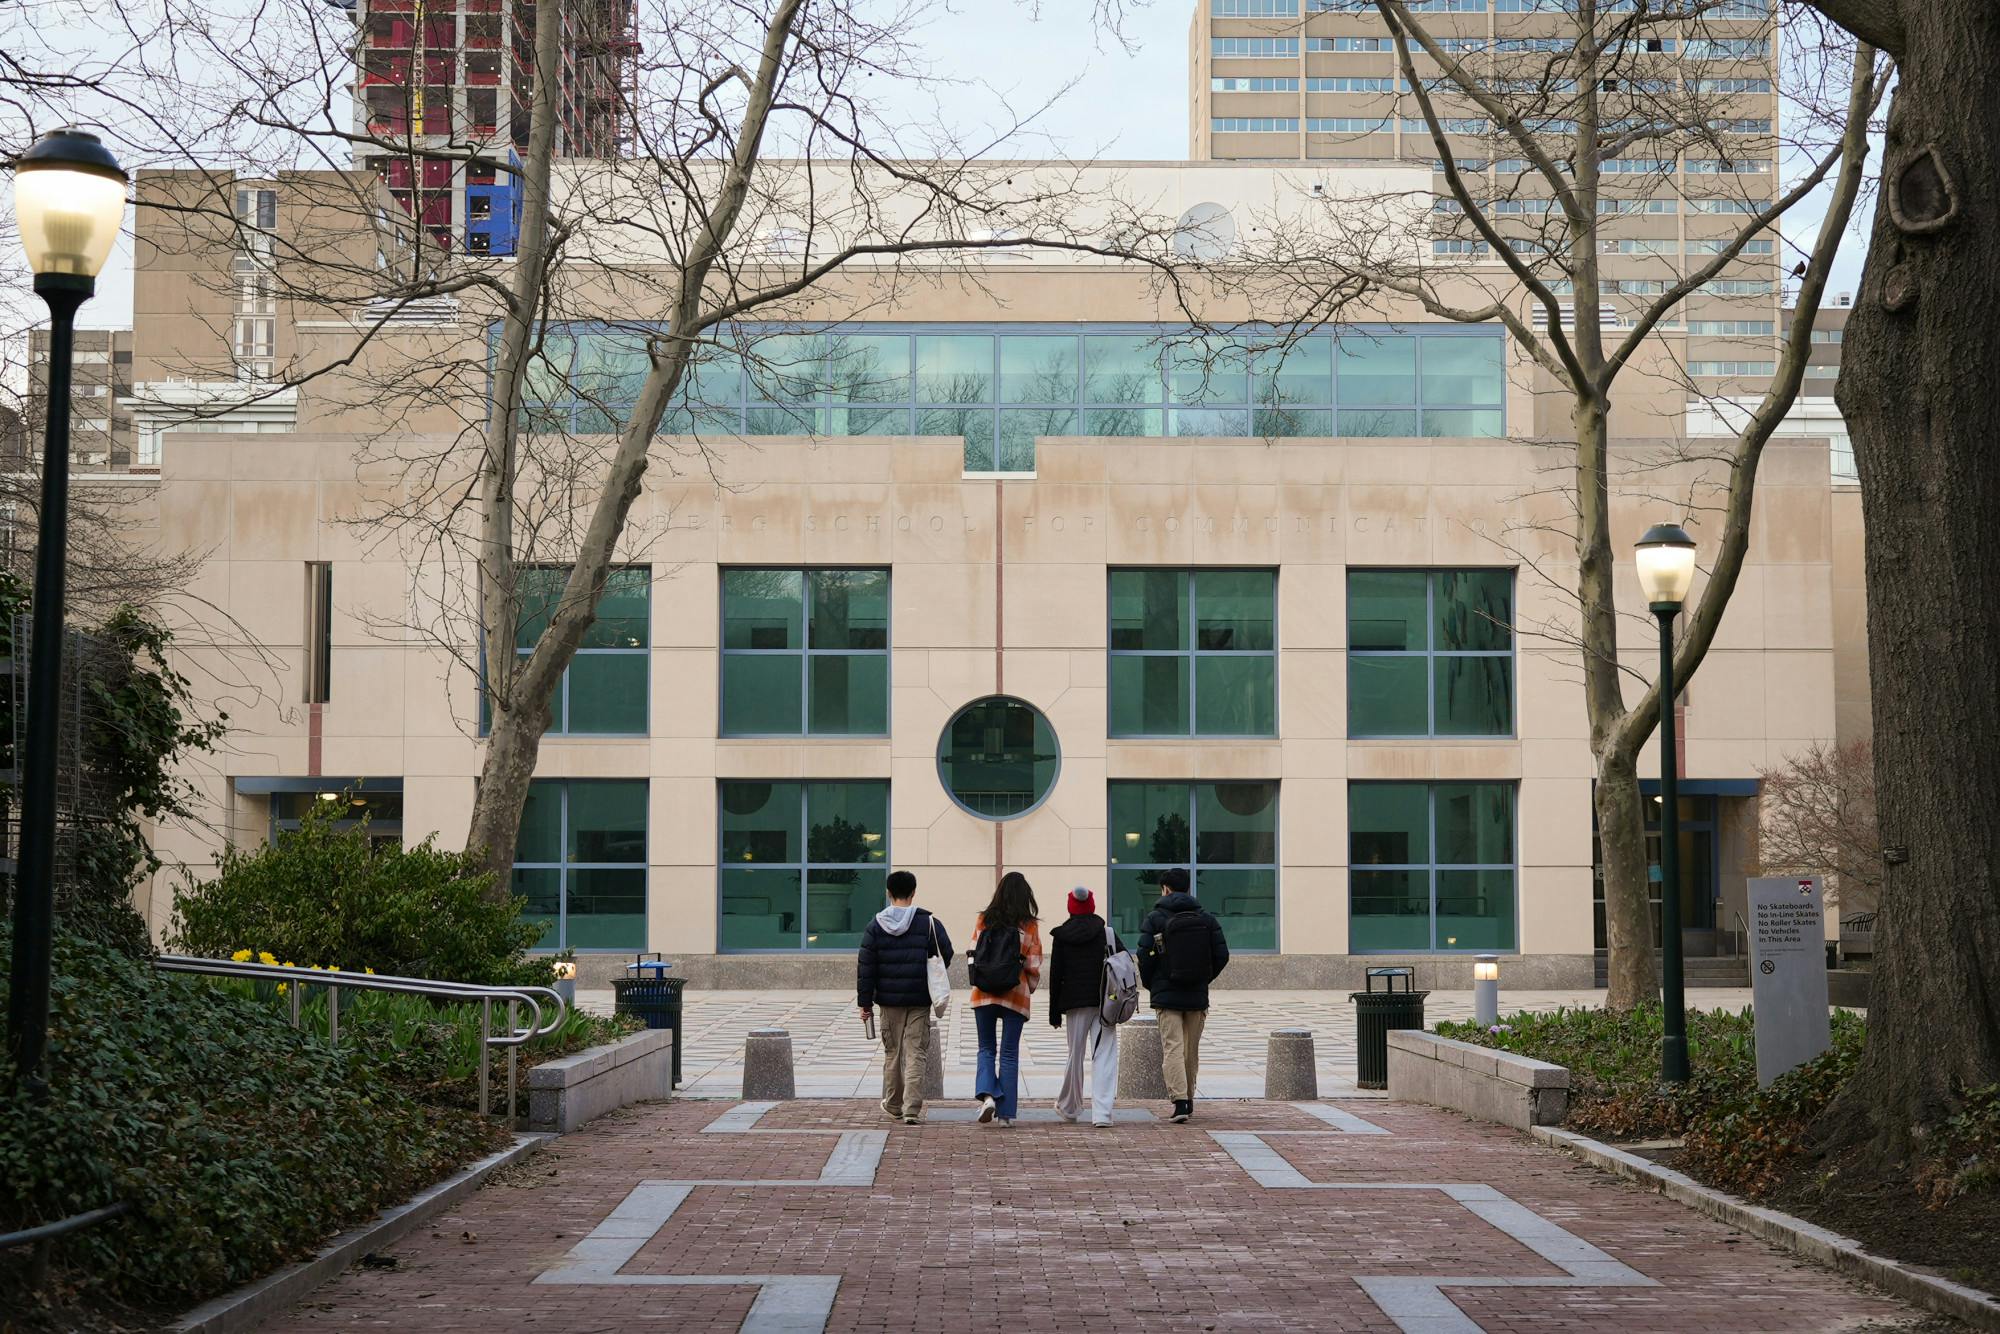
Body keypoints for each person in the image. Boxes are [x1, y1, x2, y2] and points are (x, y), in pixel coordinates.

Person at [856, 870, 953, 1125]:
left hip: (888, 1002)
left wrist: (865, 1003)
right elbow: (947, 954)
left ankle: (894, 1104)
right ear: (913, 892)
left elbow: (866, 968)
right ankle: (912, 1108)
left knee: (893, 1053)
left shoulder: (875, 926)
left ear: (889, 893)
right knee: (916, 1052)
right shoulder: (928, 922)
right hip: (920, 999)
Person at [1135, 867, 1229, 1123]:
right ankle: (1188, 1100)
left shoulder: (1155, 919)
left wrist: (1153, 984)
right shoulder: (1207, 919)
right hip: (1197, 996)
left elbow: (1144, 957)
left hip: (1167, 995)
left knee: (1172, 1048)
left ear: (1165, 889)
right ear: (1188, 888)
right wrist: (1203, 978)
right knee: (1191, 1050)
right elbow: (1222, 955)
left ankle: (1180, 1102)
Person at [967, 871, 1042, 1127]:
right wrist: (1028, 986)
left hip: (983, 993)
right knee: (1009, 1054)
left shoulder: (983, 919)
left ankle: (988, 1096)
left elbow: (974, 952)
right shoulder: (1029, 925)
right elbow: (1033, 964)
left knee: (986, 1048)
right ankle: (1006, 1114)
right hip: (1015, 994)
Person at [1047, 886, 1123, 1128]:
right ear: (1092, 905)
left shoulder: (1062, 936)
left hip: (1074, 1003)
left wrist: (1054, 1012)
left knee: (1075, 1055)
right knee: (1105, 1055)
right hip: (1105, 1002)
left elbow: (1055, 975)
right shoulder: (1106, 933)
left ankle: (1070, 1107)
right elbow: (1123, 962)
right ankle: (1102, 1113)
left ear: (1071, 906)